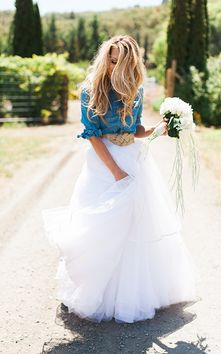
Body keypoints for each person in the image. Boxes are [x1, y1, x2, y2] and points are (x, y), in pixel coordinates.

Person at [42, 35, 198, 324]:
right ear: (106, 58)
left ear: (132, 63)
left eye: (122, 61)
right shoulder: (92, 89)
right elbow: (93, 135)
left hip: (134, 159)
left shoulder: (135, 91)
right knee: (101, 226)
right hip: (105, 164)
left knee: (136, 223)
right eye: (112, 59)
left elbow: (135, 129)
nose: (115, 66)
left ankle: (134, 293)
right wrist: (116, 172)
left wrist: (158, 129)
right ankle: (94, 291)